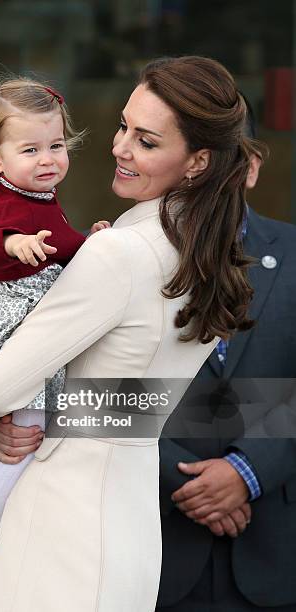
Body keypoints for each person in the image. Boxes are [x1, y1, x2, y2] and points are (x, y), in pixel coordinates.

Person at [0, 56, 261, 612]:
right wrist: (60, 413)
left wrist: (34, 416)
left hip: (63, 523)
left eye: (146, 141)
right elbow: (149, 404)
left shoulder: (121, 253)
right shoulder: (205, 255)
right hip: (126, 521)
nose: (121, 147)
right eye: (124, 126)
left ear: (197, 161)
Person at [0, 76, 109, 580]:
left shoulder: (42, 197)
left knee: (37, 442)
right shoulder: (6, 201)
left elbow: (63, 243)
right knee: (28, 440)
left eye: (55, 145)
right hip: (7, 334)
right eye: (30, 149)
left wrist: (90, 241)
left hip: (32, 335)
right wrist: (15, 246)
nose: (48, 159)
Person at [155, 101, 296, 611]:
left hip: (276, 550)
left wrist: (247, 470)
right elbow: (91, 394)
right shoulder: (125, 257)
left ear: (252, 166)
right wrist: (186, 479)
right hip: (157, 550)